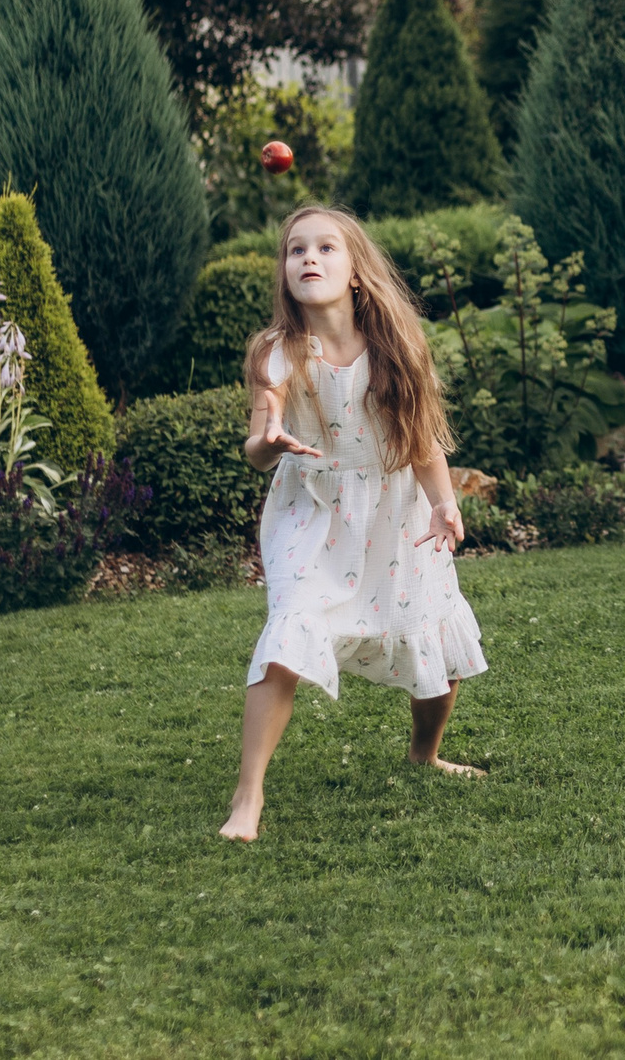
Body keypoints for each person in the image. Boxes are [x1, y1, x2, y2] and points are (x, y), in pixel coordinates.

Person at [220, 206, 487, 841]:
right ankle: (248, 796)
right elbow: (257, 445)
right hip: (311, 510)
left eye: (325, 247)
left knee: (431, 634)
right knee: (290, 630)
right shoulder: (276, 352)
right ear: (285, 275)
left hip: (396, 509)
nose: (308, 258)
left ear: (357, 270)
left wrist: (445, 503)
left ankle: (425, 752)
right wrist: (272, 442)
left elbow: (420, 439)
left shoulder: (399, 343)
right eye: (295, 251)